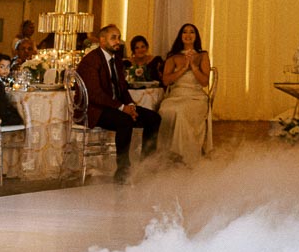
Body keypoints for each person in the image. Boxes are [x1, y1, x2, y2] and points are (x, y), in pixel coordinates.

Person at [76, 24, 160, 182]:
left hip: (115, 107)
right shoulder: (91, 60)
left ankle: (147, 164)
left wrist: (131, 106)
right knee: (125, 120)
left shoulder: (117, 60)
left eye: (119, 37)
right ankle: (123, 169)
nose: (118, 41)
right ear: (102, 41)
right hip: (95, 109)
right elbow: (95, 94)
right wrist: (123, 108)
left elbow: (122, 88)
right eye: (113, 38)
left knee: (154, 118)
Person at [157, 24, 211, 164]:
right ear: (180, 36)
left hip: (196, 97)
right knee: (165, 110)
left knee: (180, 111)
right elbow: (166, 80)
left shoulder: (203, 55)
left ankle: (183, 155)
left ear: (196, 36)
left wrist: (193, 66)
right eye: (185, 32)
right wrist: (182, 69)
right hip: (176, 95)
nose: (188, 35)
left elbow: (205, 82)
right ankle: (165, 154)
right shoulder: (173, 56)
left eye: (192, 32)